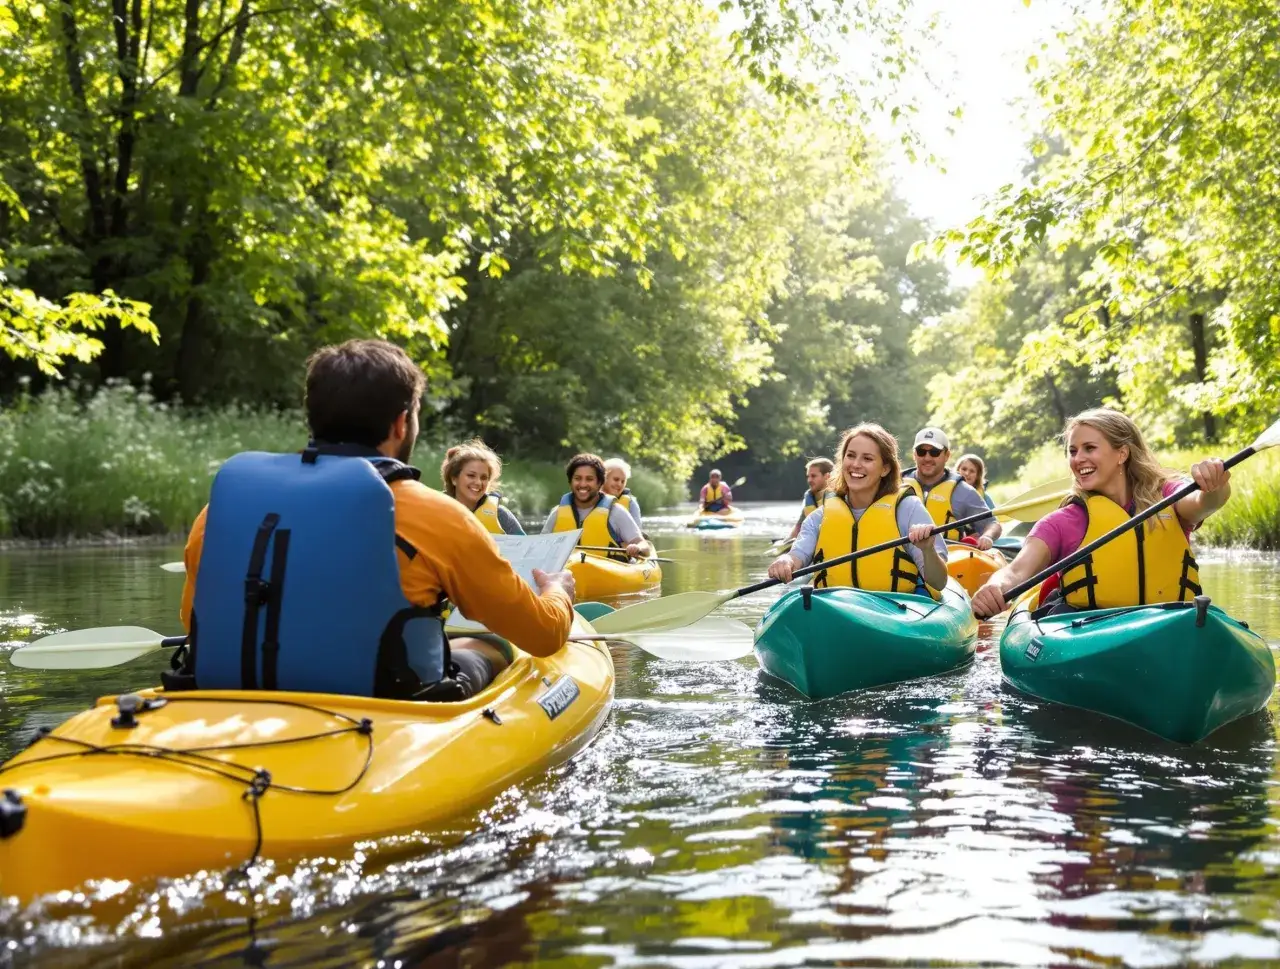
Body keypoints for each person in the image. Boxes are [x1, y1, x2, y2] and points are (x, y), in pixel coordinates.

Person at [177, 339, 575, 700]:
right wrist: (557, 591)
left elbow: (195, 620)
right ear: (402, 423)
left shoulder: (219, 514)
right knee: (492, 643)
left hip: (233, 702)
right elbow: (543, 634)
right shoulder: (438, 517)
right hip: (387, 710)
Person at [971, 407, 1227, 619]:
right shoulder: (1063, 522)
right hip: (1091, 630)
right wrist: (996, 586)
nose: (1077, 458)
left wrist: (1214, 484)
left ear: (1122, 453)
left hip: (1171, 622)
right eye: (1073, 451)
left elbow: (1204, 502)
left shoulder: (1166, 496)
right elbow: (1016, 571)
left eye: (1089, 448)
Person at [767, 424, 949, 597]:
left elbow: (939, 582)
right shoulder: (820, 517)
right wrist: (786, 561)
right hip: (836, 608)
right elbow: (797, 556)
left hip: (896, 611)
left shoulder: (908, 509)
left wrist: (927, 550)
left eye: (867, 459)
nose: (856, 464)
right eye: (851, 455)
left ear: (885, 468)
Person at [903, 427, 1002, 549]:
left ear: (947, 455)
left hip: (946, 561)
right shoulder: (895, 483)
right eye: (921, 452)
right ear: (914, 455)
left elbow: (992, 523)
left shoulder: (964, 491)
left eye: (934, 452)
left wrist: (987, 536)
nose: (927, 458)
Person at [542, 453, 653, 561]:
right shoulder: (557, 513)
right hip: (566, 574)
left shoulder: (616, 512)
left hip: (607, 574)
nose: (583, 484)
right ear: (570, 481)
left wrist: (637, 548)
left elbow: (644, 546)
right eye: (577, 478)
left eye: (589, 479)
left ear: (600, 483)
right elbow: (540, 547)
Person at [440, 439, 526, 535]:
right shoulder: (434, 510)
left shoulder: (501, 516)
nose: (478, 482)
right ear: (454, 479)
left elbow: (527, 548)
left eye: (484, 478)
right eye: (471, 475)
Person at [786, 457, 834, 541]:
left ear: (827, 476)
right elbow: (798, 528)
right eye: (808, 476)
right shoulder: (810, 498)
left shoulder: (839, 498)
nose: (809, 480)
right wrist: (785, 542)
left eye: (813, 476)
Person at [602, 457, 643, 529]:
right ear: (604, 478)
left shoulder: (631, 503)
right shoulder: (591, 499)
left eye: (623, 481)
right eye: (616, 479)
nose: (619, 484)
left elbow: (637, 531)